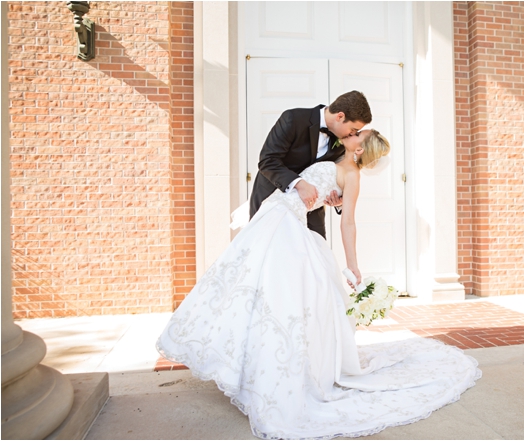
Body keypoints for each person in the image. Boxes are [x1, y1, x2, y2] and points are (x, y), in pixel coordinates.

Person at [157, 127, 481, 439]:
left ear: (360, 149)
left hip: (289, 223)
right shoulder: (337, 158)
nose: (352, 134)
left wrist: (353, 267)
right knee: (245, 287)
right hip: (276, 212)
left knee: (282, 299)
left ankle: (277, 374)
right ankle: (243, 362)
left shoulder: (351, 175)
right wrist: (328, 198)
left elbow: (349, 223)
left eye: (358, 136)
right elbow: (308, 181)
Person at [249, 90, 372, 240]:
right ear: (340, 116)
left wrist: (339, 200)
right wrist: (299, 184)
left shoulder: (343, 143)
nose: (352, 134)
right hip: (273, 203)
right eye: (353, 129)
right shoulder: (293, 119)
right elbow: (267, 161)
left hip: (312, 215)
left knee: (313, 258)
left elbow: (340, 174)